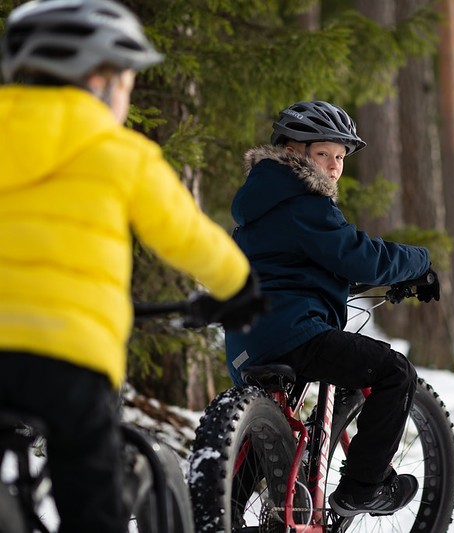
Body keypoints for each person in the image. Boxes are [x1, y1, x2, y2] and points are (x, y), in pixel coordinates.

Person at [0, 1, 265, 531]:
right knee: (91, 501)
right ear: (99, 81)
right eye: (126, 81)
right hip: (71, 360)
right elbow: (186, 234)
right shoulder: (119, 152)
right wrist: (237, 286)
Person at [225, 100, 441, 517]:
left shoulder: (259, 204)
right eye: (323, 153)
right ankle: (364, 487)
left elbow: (291, 265)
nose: (334, 166)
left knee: (262, 437)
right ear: (292, 152)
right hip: (294, 332)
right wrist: (420, 263)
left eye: (340, 157)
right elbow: (358, 256)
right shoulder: (303, 201)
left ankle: (220, 514)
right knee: (394, 372)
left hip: (247, 341)